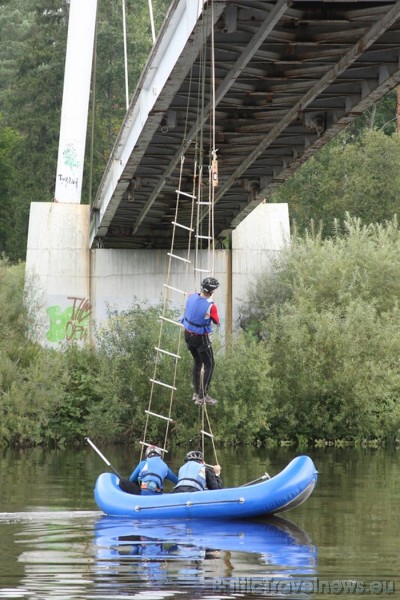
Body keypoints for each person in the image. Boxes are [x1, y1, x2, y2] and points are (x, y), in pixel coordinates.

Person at [181, 277, 220, 405]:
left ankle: (196, 392)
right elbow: (216, 321)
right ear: (212, 291)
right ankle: (202, 396)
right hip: (200, 337)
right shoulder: (211, 306)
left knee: (198, 362)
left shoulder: (191, 297)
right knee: (210, 364)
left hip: (187, 335)